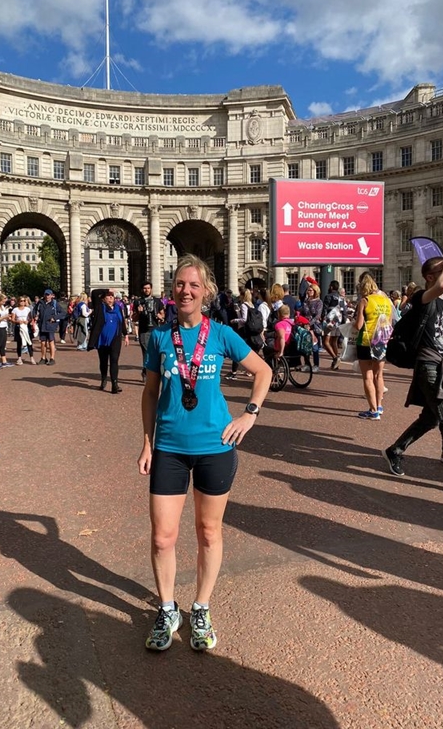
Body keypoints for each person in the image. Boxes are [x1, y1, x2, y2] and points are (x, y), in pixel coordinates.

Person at [138, 254, 272, 652]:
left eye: (194, 285)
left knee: (208, 532)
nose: (186, 291)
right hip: (169, 448)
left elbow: (262, 372)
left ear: (206, 292)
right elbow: (149, 393)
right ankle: (166, 609)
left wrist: (249, 415)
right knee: (163, 537)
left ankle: (200, 607)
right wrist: (147, 441)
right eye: (180, 284)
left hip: (216, 446)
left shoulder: (222, 334)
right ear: (172, 290)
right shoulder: (160, 337)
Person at [382, 258, 443, 499]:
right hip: (429, 366)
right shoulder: (423, 297)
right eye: (442, 271)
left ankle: (395, 450)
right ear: (430, 277)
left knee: (430, 419)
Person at [354, 273, 392, 419]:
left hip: (366, 341)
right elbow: (388, 323)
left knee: (367, 376)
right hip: (382, 341)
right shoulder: (386, 301)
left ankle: (373, 409)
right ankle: (380, 405)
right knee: (379, 375)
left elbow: (358, 325)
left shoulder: (365, 301)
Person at [88, 289, 129, 392]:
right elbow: (94, 293)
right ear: (103, 299)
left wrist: (126, 334)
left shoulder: (118, 308)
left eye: (112, 296)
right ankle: (103, 379)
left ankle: (115, 384)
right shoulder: (99, 307)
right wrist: (107, 289)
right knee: (103, 361)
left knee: (114, 360)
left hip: (115, 338)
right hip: (102, 339)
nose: (111, 297)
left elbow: (122, 321)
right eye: (108, 296)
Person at [133, 282, 164, 382]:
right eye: (145, 288)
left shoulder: (157, 301)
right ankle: (146, 372)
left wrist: (160, 317)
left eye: (148, 288)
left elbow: (163, 315)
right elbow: (134, 318)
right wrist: (139, 312)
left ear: (151, 289)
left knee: (156, 352)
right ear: (142, 290)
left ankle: (152, 372)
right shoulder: (138, 302)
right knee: (146, 352)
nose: (147, 290)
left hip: (155, 330)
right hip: (144, 331)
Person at [322, 280, 347, 369]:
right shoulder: (341, 298)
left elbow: (324, 309)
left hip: (330, 321)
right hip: (338, 321)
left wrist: (323, 318)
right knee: (334, 342)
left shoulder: (328, 296)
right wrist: (343, 322)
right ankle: (335, 364)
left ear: (331, 287)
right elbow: (344, 311)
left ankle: (335, 358)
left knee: (325, 342)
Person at [300, 283, 323, 373]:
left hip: (314, 326)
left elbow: (318, 315)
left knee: (314, 347)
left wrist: (310, 323)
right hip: (305, 325)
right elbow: (303, 312)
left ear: (315, 291)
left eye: (310, 290)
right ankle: (307, 364)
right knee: (306, 346)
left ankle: (316, 365)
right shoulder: (306, 301)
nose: (308, 292)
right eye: (308, 290)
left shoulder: (319, 302)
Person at [35, 289, 59, 365]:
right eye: (46, 294)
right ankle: (43, 358)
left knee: (51, 342)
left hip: (50, 325)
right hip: (42, 325)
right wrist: (35, 316)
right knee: (42, 343)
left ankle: (52, 358)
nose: (47, 296)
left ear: (52, 295)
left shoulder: (55, 303)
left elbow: (63, 313)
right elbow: (34, 310)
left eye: (48, 295)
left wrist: (54, 318)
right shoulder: (40, 303)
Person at [11, 296, 37, 365]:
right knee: (19, 343)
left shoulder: (27, 309)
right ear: (18, 302)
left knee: (29, 342)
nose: (22, 302)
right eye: (21, 301)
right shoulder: (15, 309)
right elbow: (12, 319)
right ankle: (19, 358)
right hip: (18, 327)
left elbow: (31, 318)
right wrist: (17, 321)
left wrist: (27, 321)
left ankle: (31, 357)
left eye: (24, 301)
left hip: (26, 327)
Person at [0, 292, 14, 369]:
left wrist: (8, 318)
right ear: (0, 299)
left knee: (3, 345)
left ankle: (4, 361)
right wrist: (4, 317)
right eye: (4, 300)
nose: (5, 301)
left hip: (4, 326)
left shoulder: (3, 307)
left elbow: (4, 316)